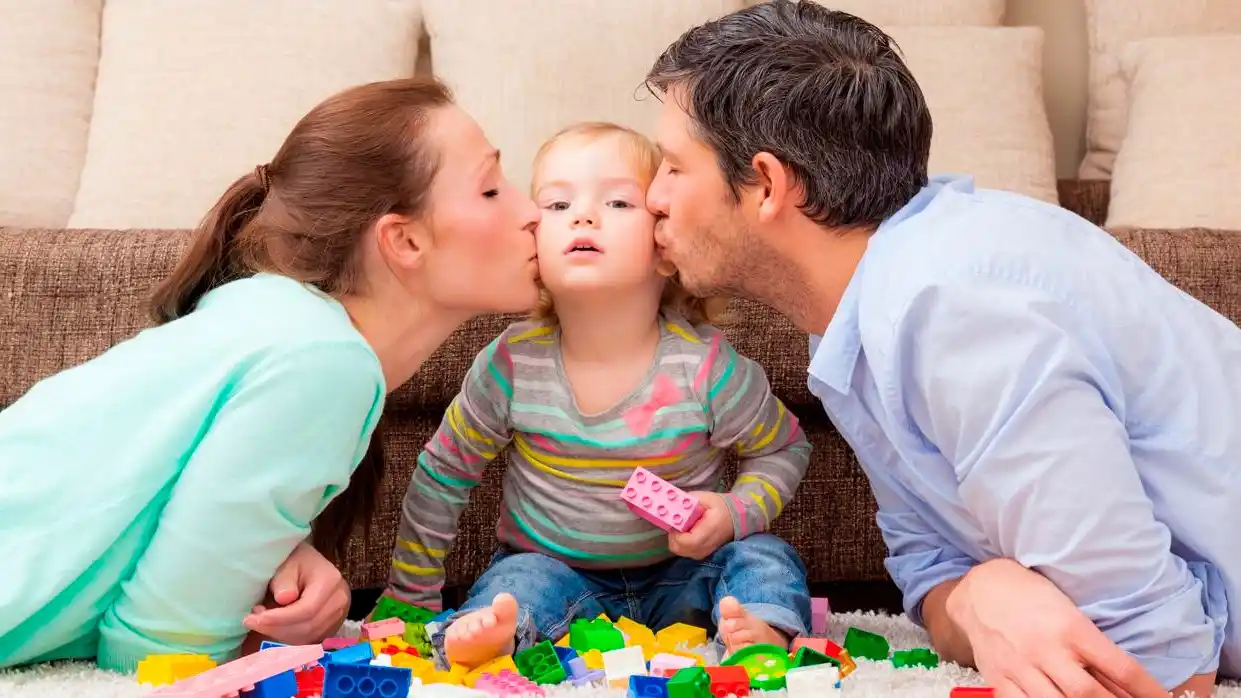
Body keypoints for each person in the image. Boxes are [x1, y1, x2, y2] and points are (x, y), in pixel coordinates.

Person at [642, 2, 1239, 698]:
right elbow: (928, 573)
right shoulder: (861, 313)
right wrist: (980, 594)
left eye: (672, 167)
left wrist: (983, 590)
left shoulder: (956, 308)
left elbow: (1156, 669)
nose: (650, 197)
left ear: (769, 185)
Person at [0, 76, 542, 672]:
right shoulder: (324, 363)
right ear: (404, 239)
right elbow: (158, 655)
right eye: (491, 189)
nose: (533, 213)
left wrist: (284, 557)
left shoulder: (281, 318)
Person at [381, 122, 813, 668]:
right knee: (515, 583)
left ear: (664, 245)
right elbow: (444, 472)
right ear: (533, 245)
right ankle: (490, 633)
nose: (583, 216)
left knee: (764, 558)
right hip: (556, 572)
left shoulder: (705, 368)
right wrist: (411, 595)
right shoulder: (512, 364)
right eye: (557, 205)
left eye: (616, 201)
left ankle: (763, 627)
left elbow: (784, 447)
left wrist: (733, 512)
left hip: (685, 578)